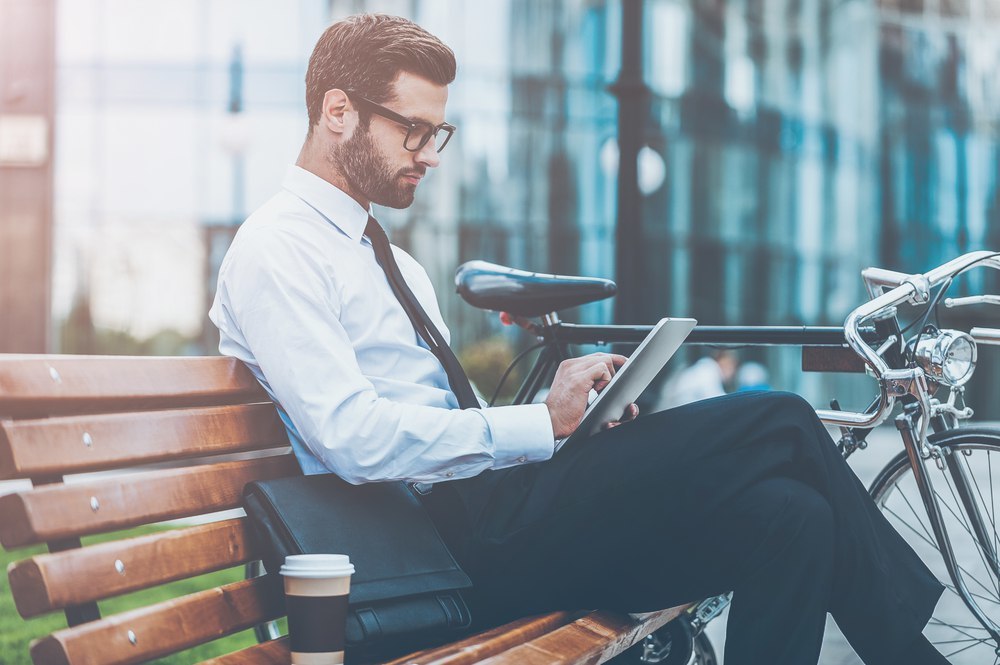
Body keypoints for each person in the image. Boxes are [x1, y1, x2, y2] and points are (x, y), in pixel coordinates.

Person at [209, 14, 949, 665]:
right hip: (441, 547)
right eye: (414, 129)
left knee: (794, 517)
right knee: (781, 416)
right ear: (337, 112)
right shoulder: (279, 249)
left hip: (490, 518)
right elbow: (352, 438)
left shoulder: (388, 257)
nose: (431, 153)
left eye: (439, 132)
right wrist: (541, 424)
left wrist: (567, 428)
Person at [656, 350, 738, 410]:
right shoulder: (708, 368)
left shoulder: (704, 368)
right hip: (674, 412)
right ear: (721, 361)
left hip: (675, 410)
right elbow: (717, 399)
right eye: (730, 366)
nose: (731, 372)